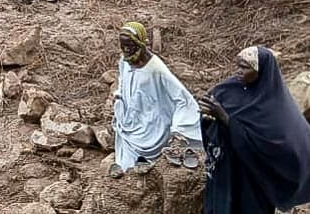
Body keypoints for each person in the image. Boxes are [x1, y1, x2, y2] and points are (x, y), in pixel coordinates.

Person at [199, 46, 310, 214]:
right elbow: (212, 109)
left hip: (253, 178)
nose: (238, 72)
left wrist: (224, 117)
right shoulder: (230, 88)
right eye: (238, 66)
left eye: (245, 67)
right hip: (227, 169)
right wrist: (208, 118)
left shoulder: (275, 106)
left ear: (261, 71)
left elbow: (280, 146)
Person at [110, 22, 202, 178]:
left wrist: (178, 128)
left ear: (140, 43)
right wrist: (119, 96)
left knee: (146, 162)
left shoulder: (156, 69)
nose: (125, 49)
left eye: (130, 45)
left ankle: (147, 162)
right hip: (131, 120)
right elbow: (124, 82)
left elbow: (182, 98)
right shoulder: (124, 61)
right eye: (122, 45)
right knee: (126, 166)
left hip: (153, 125)